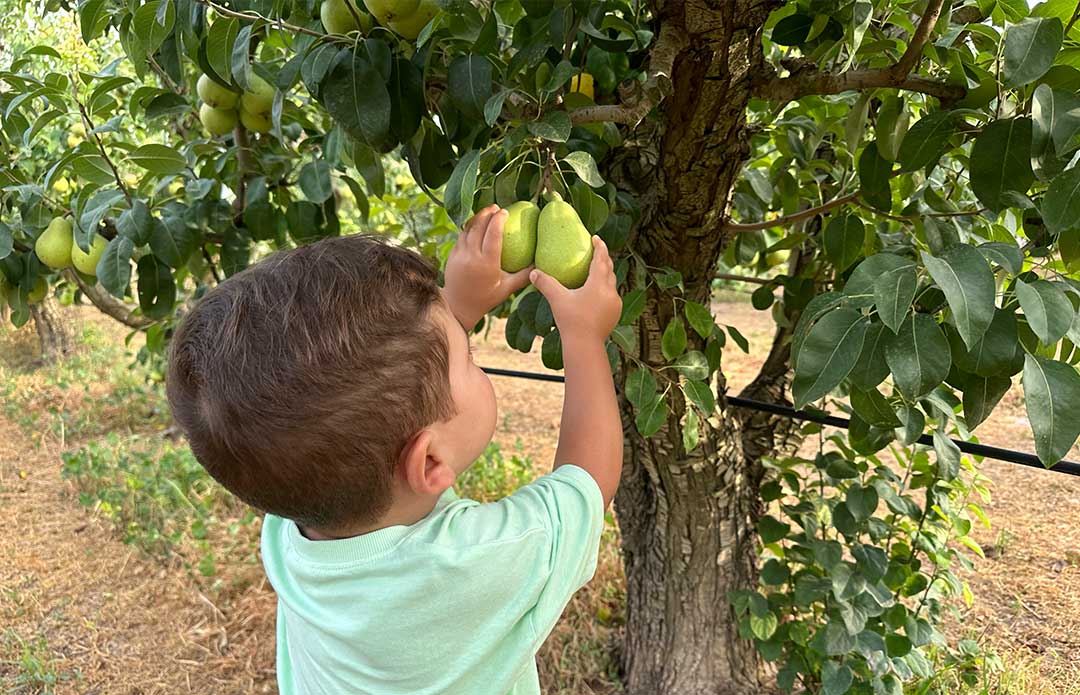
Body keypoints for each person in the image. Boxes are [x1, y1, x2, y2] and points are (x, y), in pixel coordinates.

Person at [166, 205, 624, 694]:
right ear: (428, 462)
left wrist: (455, 306)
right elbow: (587, 484)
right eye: (467, 360)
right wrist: (584, 337)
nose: (471, 359)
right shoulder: (468, 565)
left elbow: (360, 393)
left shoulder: (292, 530)